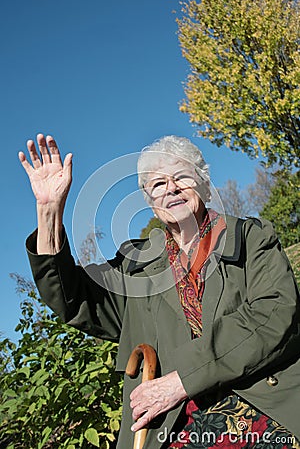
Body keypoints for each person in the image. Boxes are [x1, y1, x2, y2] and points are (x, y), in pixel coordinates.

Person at [20, 134, 300, 449]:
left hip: (259, 412)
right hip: (167, 428)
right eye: (157, 184)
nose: (170, 187)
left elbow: (274, 314)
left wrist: (183, 379)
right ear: (151, 203)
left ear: (205, 186)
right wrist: (49, 212)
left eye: (182, 176)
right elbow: (74, 300)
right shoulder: (134, 267)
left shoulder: (250, 238)